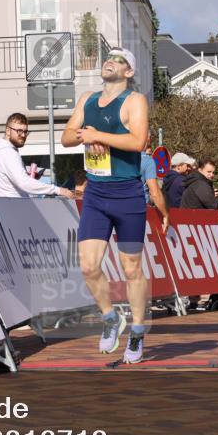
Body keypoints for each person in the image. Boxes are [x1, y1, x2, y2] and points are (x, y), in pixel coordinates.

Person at [61, 46, 168, 364]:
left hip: (127, 195)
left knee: (131, 268)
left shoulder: (135, 101)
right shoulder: (87, 99)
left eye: (119, 60)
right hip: (96, 194)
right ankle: (110, 318)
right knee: (88, 266)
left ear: (129, 72)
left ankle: (137, 331)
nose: (110, 61)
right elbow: (66, 137)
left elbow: (137, 141)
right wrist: (85, 135)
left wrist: (99, 136)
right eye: (108, 57)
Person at [0, 113, 74, 199]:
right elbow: (24, 183)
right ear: (8, 131)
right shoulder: (8, 153)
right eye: (19, 131)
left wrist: (28, 176)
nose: (23, 135)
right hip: (11, 206)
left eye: (25, 131)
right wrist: (58, 190)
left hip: (1, 204)